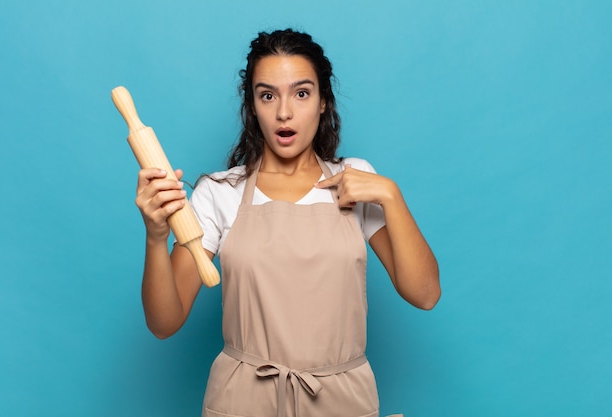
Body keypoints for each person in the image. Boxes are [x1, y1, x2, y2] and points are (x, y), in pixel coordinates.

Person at [135, 29, 440, 417]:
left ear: (323, 102)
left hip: (343, 401)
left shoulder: (357, 180)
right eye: (267, 95)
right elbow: (164, 322)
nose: (284, 112)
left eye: (301, 93)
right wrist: (155, 237)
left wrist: (392, 196)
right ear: (252, 106)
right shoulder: (219, 192)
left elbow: (425, 294)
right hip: (242, 401)